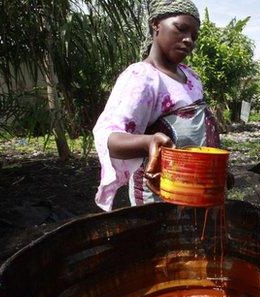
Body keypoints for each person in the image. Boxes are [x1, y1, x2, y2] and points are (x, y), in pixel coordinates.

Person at [92, 0, 221, 211]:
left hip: (197, 190)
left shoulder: (191, 77)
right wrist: (148, 141)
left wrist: (216, 171)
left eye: (194, 36)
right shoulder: (142, 77)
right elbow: (110, 138)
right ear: (156, 24)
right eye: (180, 29)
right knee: (167, 242)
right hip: (160, 195)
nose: (188, 40)